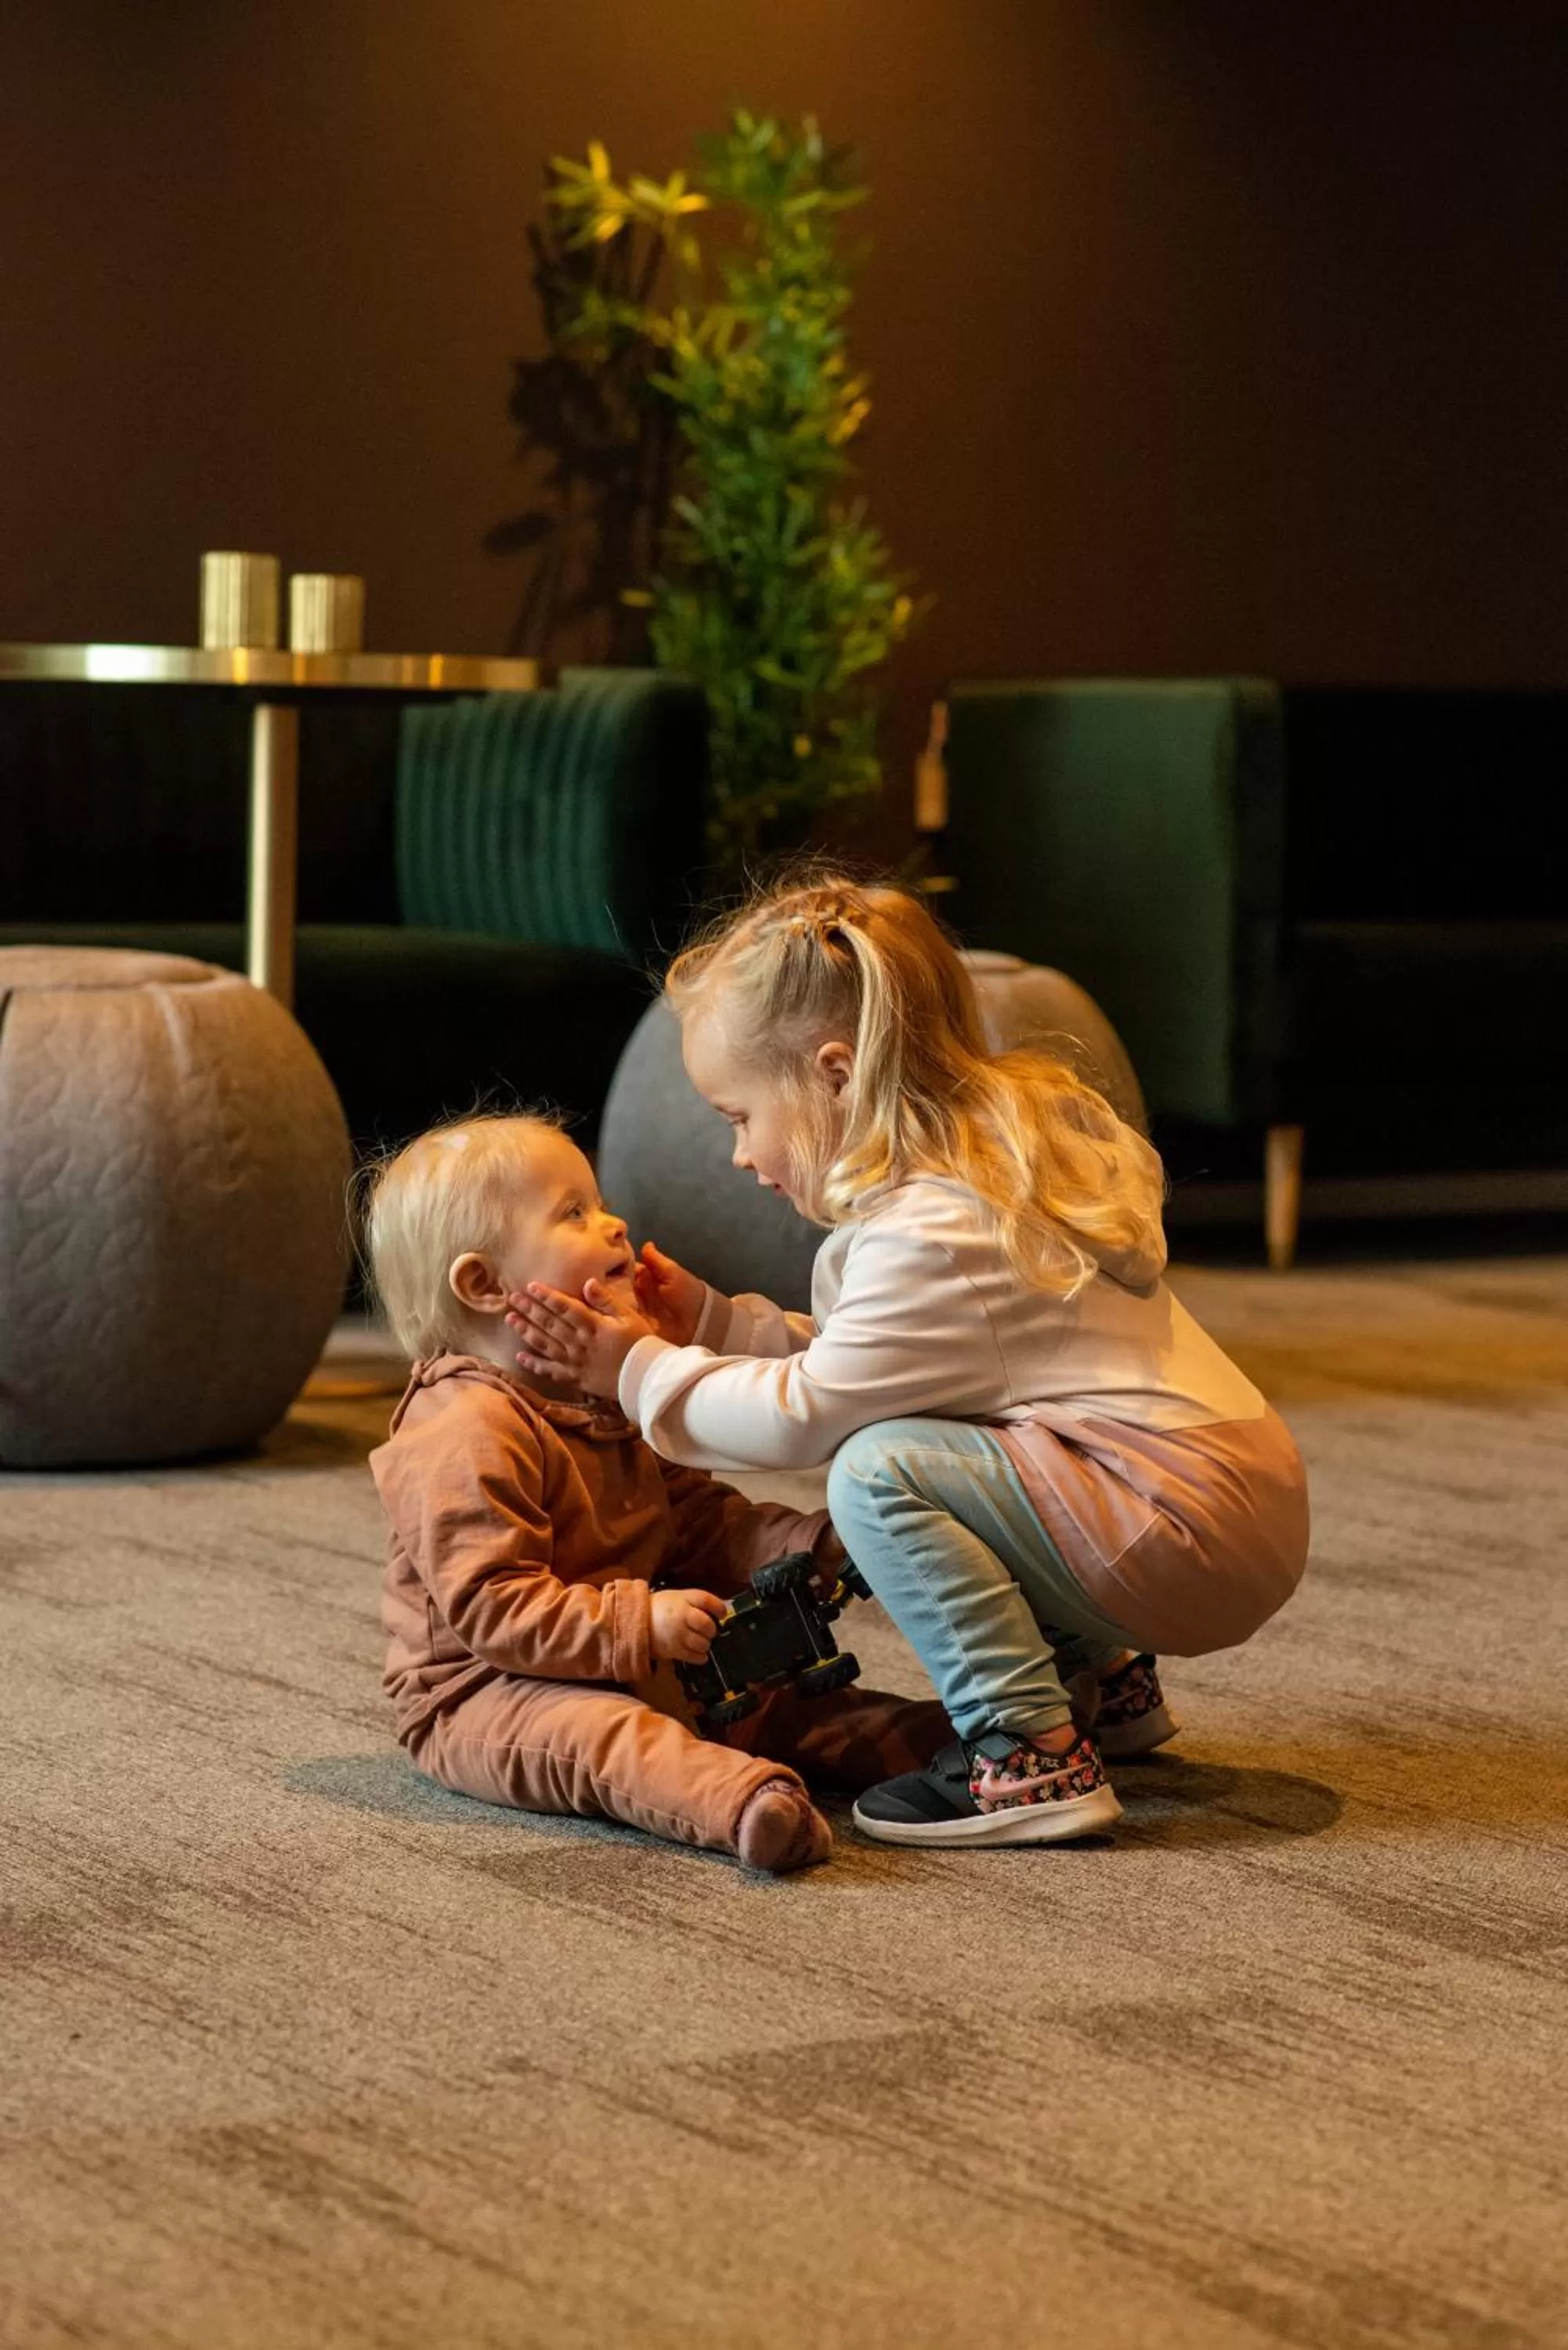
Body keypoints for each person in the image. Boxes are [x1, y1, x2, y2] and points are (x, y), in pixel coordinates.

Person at [508, 877, 1311, 1850]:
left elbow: (808, 1416)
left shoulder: (930, 1236)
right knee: (943, 1437)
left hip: (1180, 1526)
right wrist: (717, 1324)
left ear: (835, 1075)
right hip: (1224, 1495)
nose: (737, 1155)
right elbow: (889, 1362)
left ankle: (1028, 1752)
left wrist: (633, 1369)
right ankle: (1101, 1680)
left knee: (877, 1473)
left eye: (739, 1116)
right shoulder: (979, 1170)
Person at [363, 1112, 947, 1876]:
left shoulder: (603, 1382)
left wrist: (809, 1543)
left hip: (643, 1652)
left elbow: (695, 1521)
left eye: (597, 1202)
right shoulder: (462, 1425)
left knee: (791, 1700)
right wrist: (643, 1620)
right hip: (492, 1691)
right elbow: (494, 1610)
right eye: (572, 1213)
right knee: (607, 1741)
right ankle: (743, 1806)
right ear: (484, 1283)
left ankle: (965, 1737)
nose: (612, 1224)